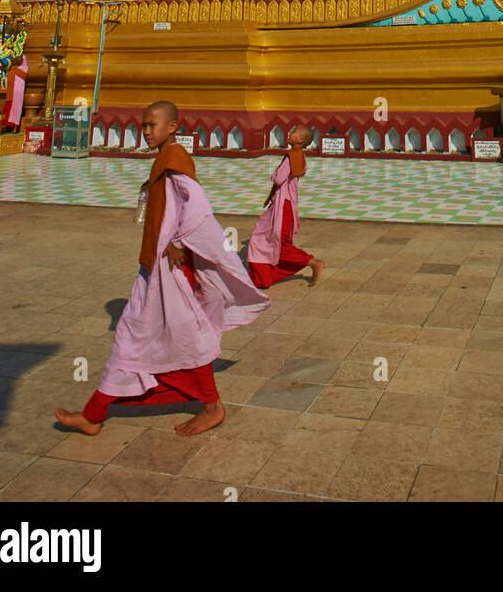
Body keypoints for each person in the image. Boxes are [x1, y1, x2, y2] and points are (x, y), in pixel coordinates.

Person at [55, 100, 269, 436]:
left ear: (172, 127)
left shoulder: (174, 159)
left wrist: (179, 242)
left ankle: (210, 406)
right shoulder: (165, 159)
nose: (145, 131)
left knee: (169, 335)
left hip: (170, 268)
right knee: (139, 336)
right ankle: (94, 413)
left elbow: (197, 208)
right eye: (143, 125)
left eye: (152, 125)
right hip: (156, 264)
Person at [247, 126, 324, 288]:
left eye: (294, 132)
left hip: (283, 205)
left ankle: (311, 262)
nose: (290, 133)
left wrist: (274, 173)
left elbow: (278, 179)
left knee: (278, 243)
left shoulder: (291, 156)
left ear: (300, 140)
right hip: (287, 204)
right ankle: (262, 277)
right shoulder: (301, 155)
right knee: (266, 239)